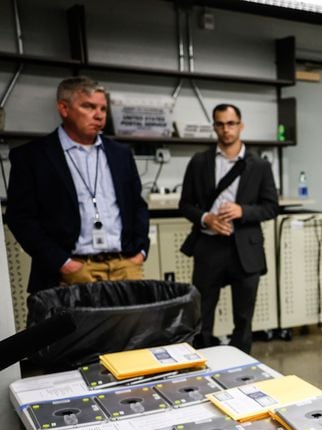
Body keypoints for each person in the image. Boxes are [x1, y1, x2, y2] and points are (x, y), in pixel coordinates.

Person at [6, 77, 148, 294]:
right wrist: (63, 263)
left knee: (133, 329)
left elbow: (137, 206)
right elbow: (21, 218)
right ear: (64, 108)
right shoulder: (33, 157)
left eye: (102, 108)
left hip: (124, 266)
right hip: (72, 271)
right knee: (77, 329)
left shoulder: (120, 154)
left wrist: (140, 253)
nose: (99, 115)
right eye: (88, 106)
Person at [179, 103, 278, 354]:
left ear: (240, 126)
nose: (226, 129)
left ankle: (240, 365)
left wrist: (242, 211)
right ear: (214, 127)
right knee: (202, 316)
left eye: (231, 123)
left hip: (245, 249)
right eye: (220, 124)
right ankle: (204, 365)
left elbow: (271, 207)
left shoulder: (260, 165)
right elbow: (185, 204)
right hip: (209, 247)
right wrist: (206, 218)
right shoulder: (199, 162)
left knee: (244, 319)